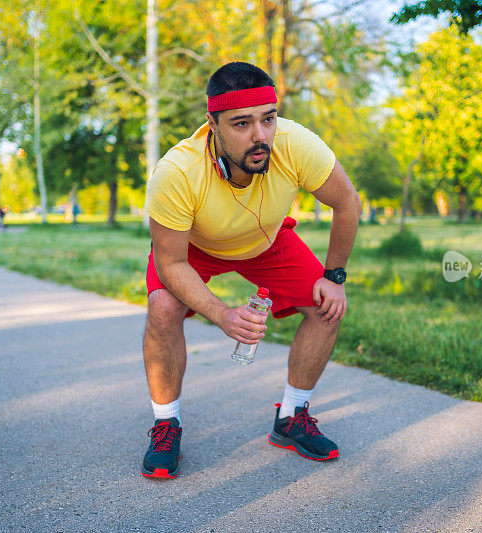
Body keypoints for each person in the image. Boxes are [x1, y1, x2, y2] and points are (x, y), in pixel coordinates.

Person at [142, 62, 361, 479]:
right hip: (195, 248)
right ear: (213, 124)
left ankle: (292, 418)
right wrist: (222, 314)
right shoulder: (176, 172)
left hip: (267, 241)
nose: (260, 135)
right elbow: (171, 262)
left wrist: (334, 277)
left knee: (327, 305)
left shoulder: (296, 144)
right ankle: (166, 423)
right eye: (242, 123)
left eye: (268, 119)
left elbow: (347, 202)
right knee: (163, 307)